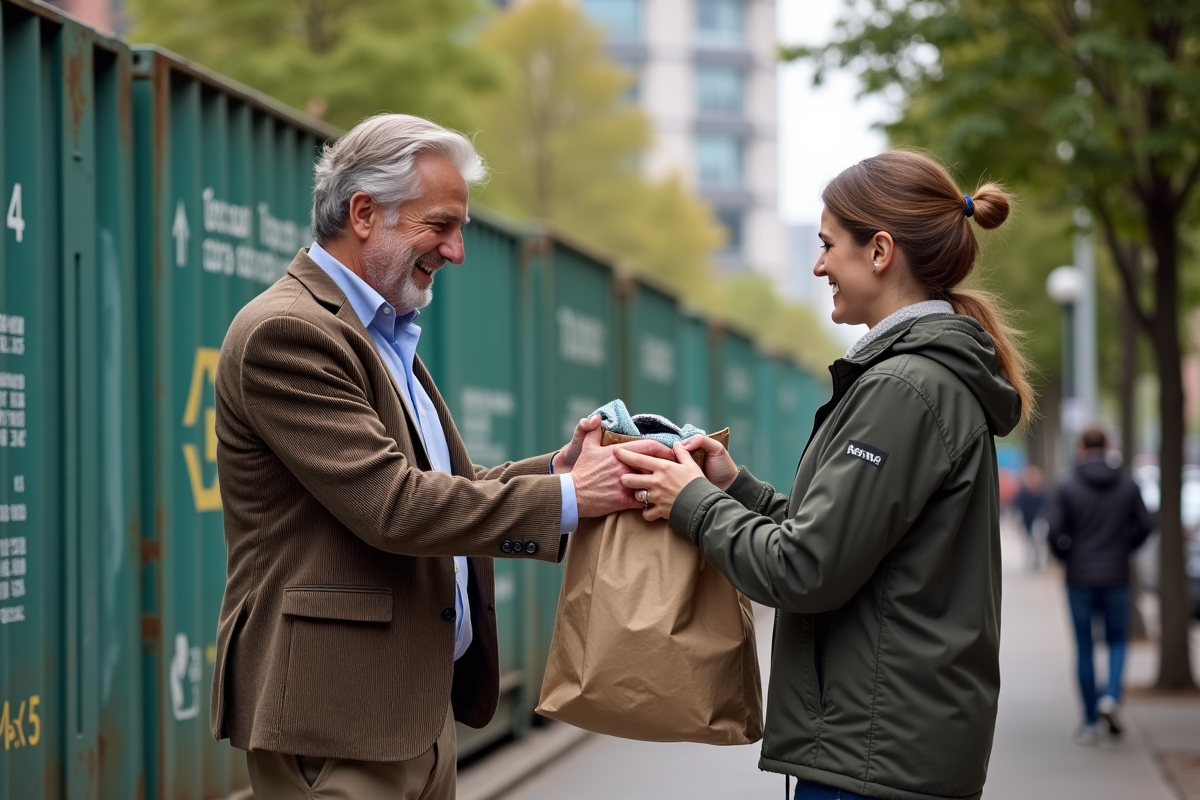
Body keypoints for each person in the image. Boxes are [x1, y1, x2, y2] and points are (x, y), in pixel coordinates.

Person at [210, 113, 650, 800]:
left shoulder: (378, 329)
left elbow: (446, 486)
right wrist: (569, 501)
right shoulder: (288, 333)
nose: (456, 250)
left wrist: (558, 472)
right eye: (440, 225)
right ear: (363, 213)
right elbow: (393, 506)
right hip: (338, 726)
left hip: (412, 716)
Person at [615, 151, 1030, 800]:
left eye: (827, 244)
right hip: (891, 749)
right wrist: (735, 489)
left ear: (880, 251)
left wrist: (689, 502)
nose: (818, 266)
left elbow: (804, 570)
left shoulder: (903, 387)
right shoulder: (920, 379)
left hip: (873, 760)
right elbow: (852, 542)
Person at [1047, 425, 1153, 745]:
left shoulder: (1067, 484)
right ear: (1108, 448)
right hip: (1117, 576)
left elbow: (1053, 532)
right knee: (1118, 639)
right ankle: (1111, 696)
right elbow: (1145, 526)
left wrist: (1068, 555)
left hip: (1079, 577)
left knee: (1084, 646)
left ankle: (1090, 722)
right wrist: (1124, 549)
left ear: (1081, 448)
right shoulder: (1127, 484)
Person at [1014, 464, 1047, 569]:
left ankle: (1037, 559)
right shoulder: (1023, 493)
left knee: (1038, 541)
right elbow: (1018, 506)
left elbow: (1047, 506)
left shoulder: (1042, 493)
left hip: (1039, 521)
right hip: (1027, 521)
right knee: (1029, 541)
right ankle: (1032, 559)